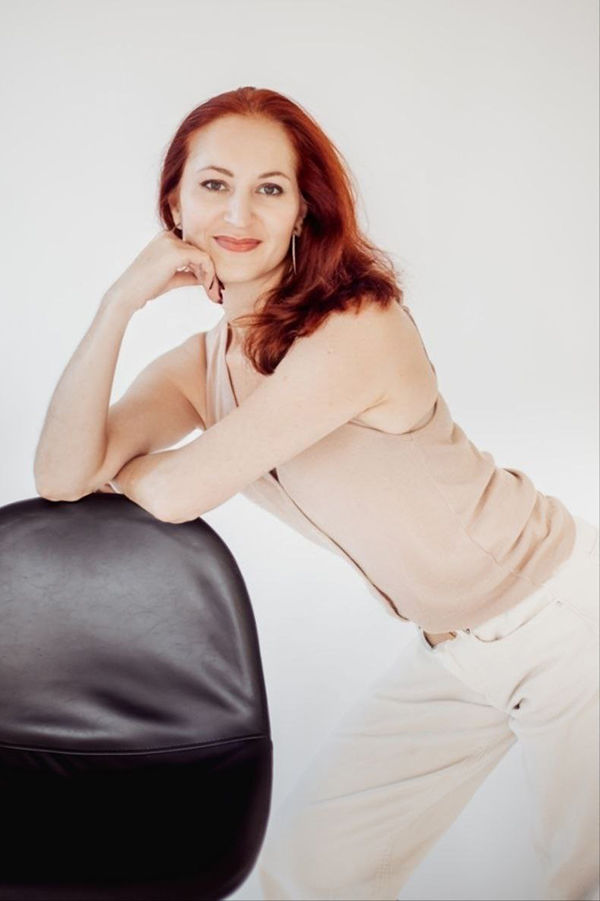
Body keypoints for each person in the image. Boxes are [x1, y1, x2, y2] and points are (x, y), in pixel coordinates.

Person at [33, 87, 599, 901]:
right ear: (175, 205)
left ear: (304, 211)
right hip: (454, 649)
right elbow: (60, 476)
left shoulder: (356, 326)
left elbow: (179, 491)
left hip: (564, 620)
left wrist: (124, 471)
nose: (240, 213)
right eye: (214, 185)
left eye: (270, 188)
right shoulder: (202, 365)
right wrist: (116, 302)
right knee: (311, 877)